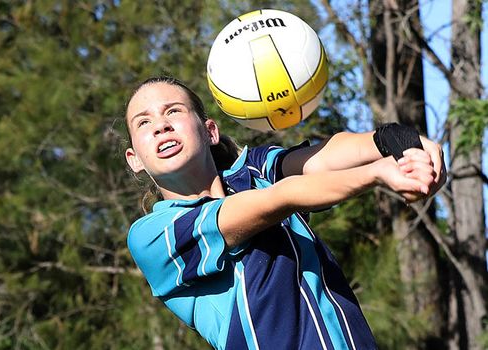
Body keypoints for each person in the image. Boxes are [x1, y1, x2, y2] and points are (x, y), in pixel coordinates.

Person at [124, 76, 446, 350]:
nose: (160, 125)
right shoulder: (154, 235)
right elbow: (283, 196)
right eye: (144, 122)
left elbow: (322, 157)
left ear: (210, 131)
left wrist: (392, 140)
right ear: (134, 158)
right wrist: (377, 172)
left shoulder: (252, 171)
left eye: (174, 111)